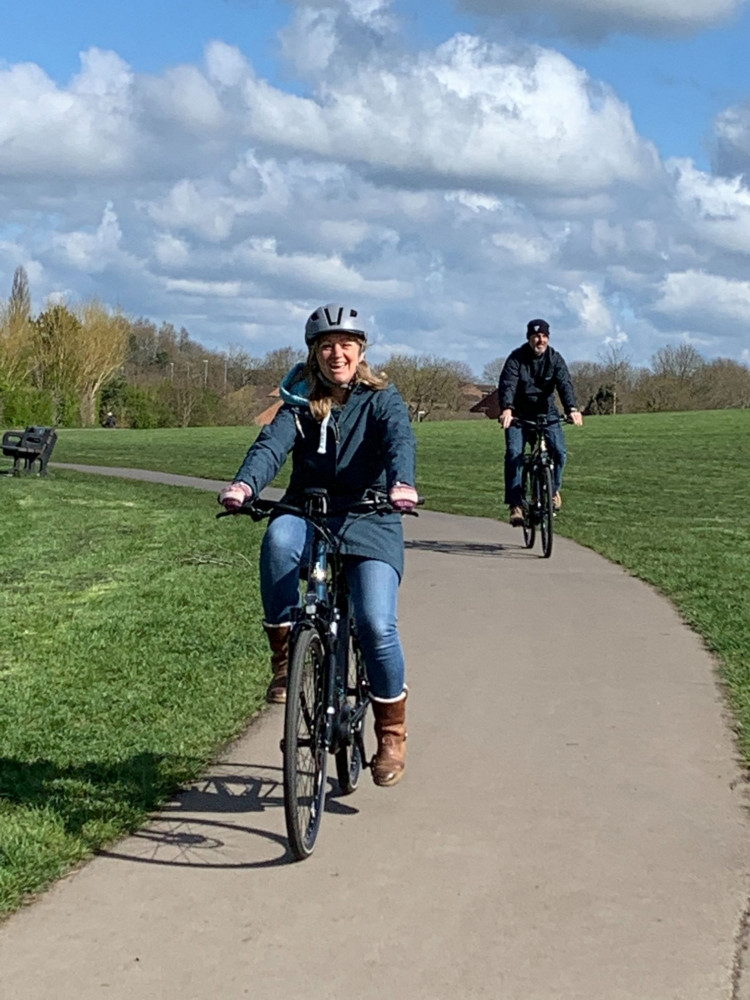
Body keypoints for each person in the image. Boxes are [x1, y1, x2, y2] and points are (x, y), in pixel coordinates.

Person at [218, 303, 418, 787]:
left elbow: (399, 441)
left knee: (374, 623)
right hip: (307, 510)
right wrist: (245, 485)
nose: (336, 353)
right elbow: (271, 445)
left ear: (360, 351)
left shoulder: (381, 398)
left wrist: (401, 484)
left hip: (371, 516)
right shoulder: (299, 401)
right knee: (278, 541)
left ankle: (391, 732)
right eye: (326, 345)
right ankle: (287, 657)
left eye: (345, 344)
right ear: (313, 353)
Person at [498, 318, 583, 526]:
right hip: (519, 415)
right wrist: (507, 408)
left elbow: (564, 384)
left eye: (544, 336)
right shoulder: (516, 359)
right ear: (529, 338)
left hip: (547, 414)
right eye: (536, 336)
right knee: (514, 454)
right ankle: (516, 504)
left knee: (559, 452)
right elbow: (507, 384)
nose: (540, 340)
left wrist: (572, 408)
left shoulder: (555, 359)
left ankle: (552, 491)